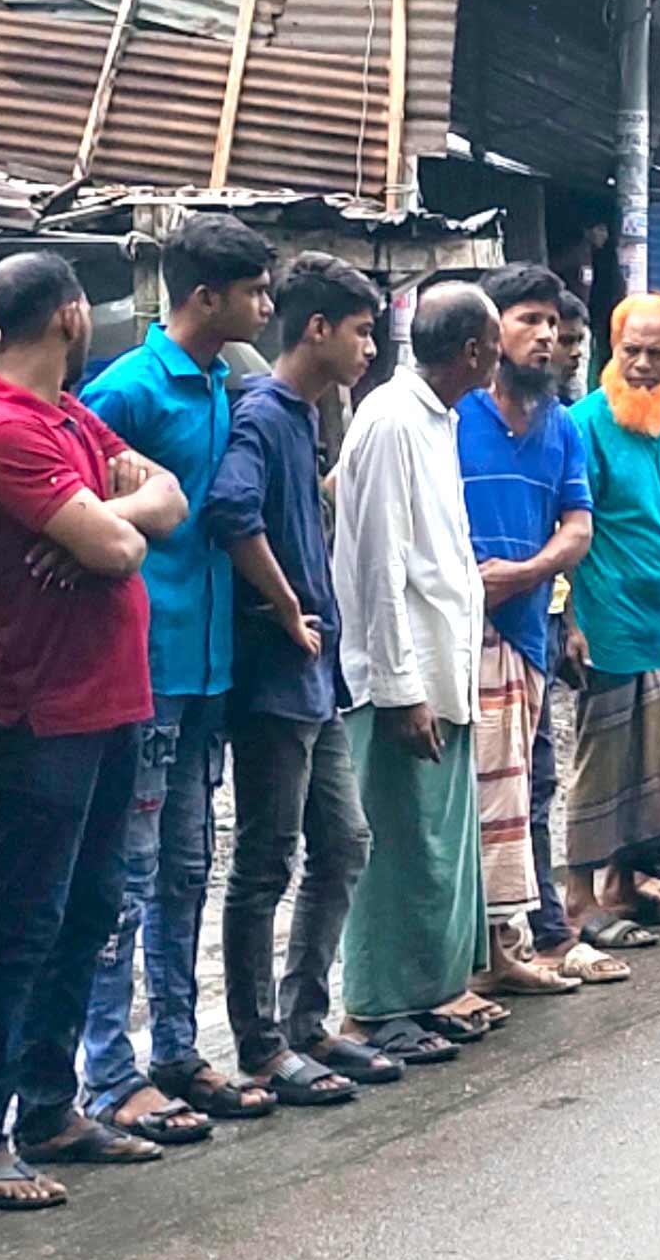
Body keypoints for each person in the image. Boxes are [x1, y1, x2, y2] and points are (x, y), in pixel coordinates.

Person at [0, 251, 188, 1205]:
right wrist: (99, 524)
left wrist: (100, 518)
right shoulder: (1, 427)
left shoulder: (66, 415)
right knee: (23, 916)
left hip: (110, 699)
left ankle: (48, 1103)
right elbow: (127, 538)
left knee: (89, 911)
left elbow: (162, 501)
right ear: (74, 317)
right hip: (40, 706)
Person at [79, 213, 276, 1139]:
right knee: (130, 871)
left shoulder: (227, 383)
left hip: (208, 667)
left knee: (188, 868)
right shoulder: (126, 389)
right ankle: (109, 1073)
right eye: (255, 292)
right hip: (146, 664)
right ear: (207, 298)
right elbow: (73, 508)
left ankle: (175, 1050)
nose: (267, 307)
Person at [206, 253, 391, 1103]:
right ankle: (259, 1043)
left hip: (318, 681)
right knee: (265, 860)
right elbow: (232, 512)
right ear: (316, 329)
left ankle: (306, 1018)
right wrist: (285, 608)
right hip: (277, 677)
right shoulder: (266, 413)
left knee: (344, 842)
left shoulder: (311, 417)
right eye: (360, 332)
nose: (368, 349)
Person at [332, 284, 499, 1064]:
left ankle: (424, 994)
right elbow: (379, 563)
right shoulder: (393, 420)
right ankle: (372, 1006)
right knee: (394, 847)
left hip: (440, 661)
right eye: (493, 343)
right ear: (472, 350)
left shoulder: (437, 418)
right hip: (402, 677)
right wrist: (400, 689)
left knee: (434, 846)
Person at [457, 267, 607, 986]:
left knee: (528, 789)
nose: (547, 336)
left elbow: (578, 527)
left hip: (527, 633)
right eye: (530, 321)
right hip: (454, 638)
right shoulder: (450, 415)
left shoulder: (559, 424)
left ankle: (519, 939)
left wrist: (522, 575)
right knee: (468, 799)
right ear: (491, 332)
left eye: (554, 323)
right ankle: (477, 953)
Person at [564, 296, 660, 933]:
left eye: (659, 354)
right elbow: (569, 527)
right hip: (607, 619)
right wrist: (569, 617)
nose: (644, 366)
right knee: (601, 766)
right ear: (613, 349)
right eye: (632, 351)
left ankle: (626, 884)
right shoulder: (585, 424)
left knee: (653, 765)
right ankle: (580, 898)